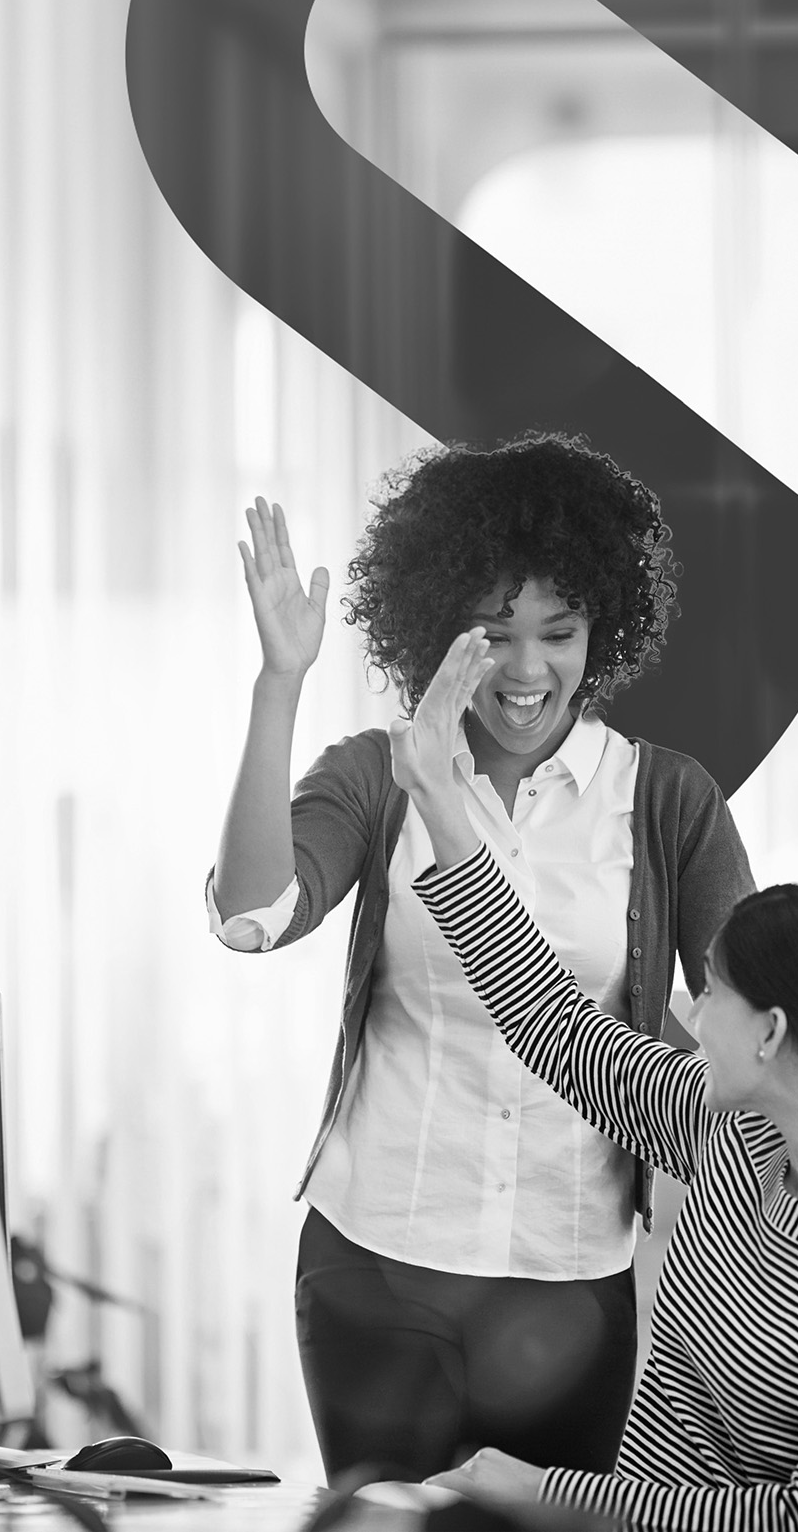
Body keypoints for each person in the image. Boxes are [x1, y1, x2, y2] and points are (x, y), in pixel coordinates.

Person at [208, 432, 754, 1482]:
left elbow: (758, 1031)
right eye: (493, 632)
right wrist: (280, 683)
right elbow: (250, 914)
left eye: (559, 632)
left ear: (603, 631)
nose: (525, 668)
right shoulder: (379, 773)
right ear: (437, 626)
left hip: (570, 1270)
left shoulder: (667, 801)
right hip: (378, 1262)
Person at [388, 630, 798, 1532]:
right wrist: (441, 802)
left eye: (711, 992)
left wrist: (545, 1495)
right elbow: (552, 1022)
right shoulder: (743, 1140)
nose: (692, 1012)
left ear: (771, 1033)